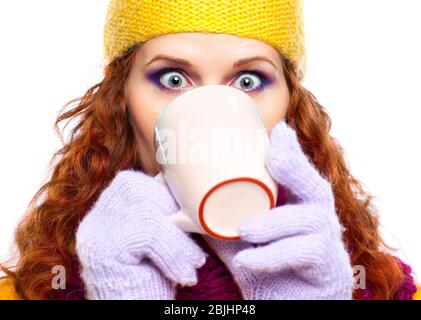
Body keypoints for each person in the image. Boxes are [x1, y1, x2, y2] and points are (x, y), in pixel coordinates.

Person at [1, 0, 420, 300]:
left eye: (249, 82)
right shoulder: (33, 290)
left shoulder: (381, 288)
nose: (214, 113)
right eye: (173, 80)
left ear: (291, 109)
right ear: (120, 102)